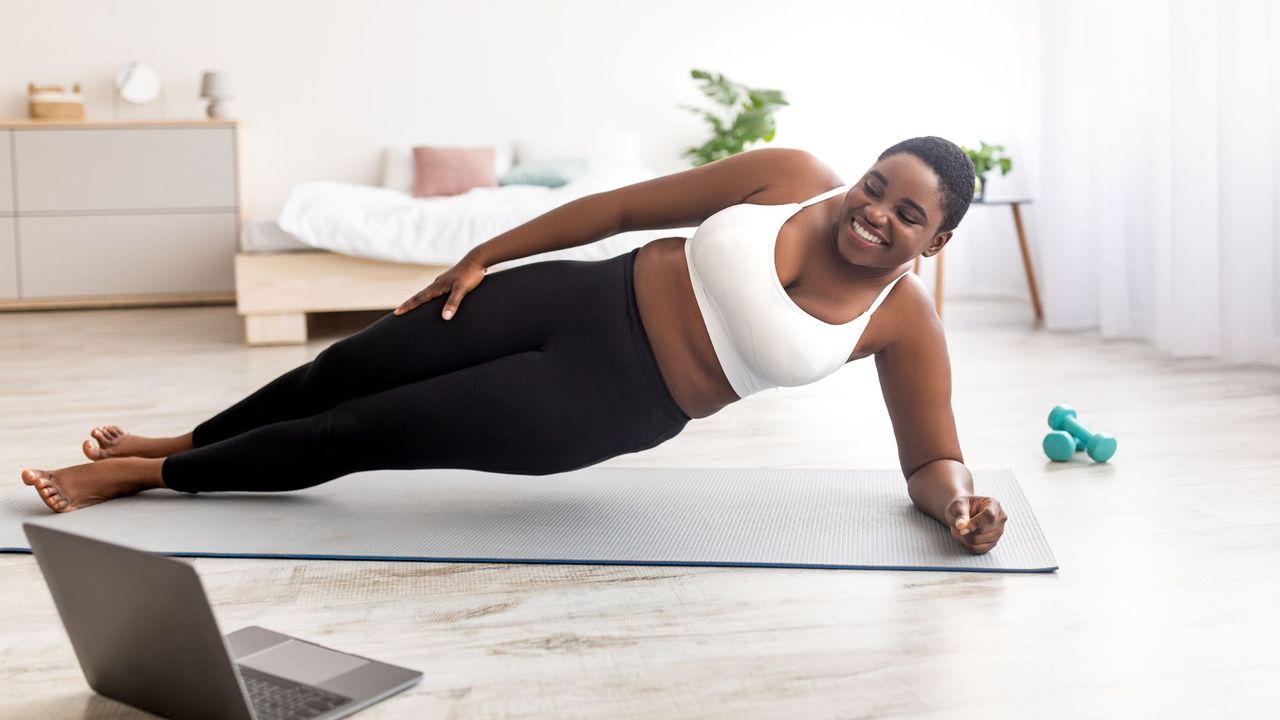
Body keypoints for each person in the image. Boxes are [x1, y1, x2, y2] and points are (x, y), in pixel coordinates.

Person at [22, 136, 1008, 554]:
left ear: (938, 240)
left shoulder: (902, 324)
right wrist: (481, 256)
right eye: (877, 185)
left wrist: (958, 507)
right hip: (572, 297)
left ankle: (147, 479)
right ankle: (181, 441)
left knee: (368, 427)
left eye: (907, 213)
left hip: (609, 399)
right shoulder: (789, 172)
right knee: (349, 365)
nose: (874, 212)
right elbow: (620, 205)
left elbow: (927, 458)